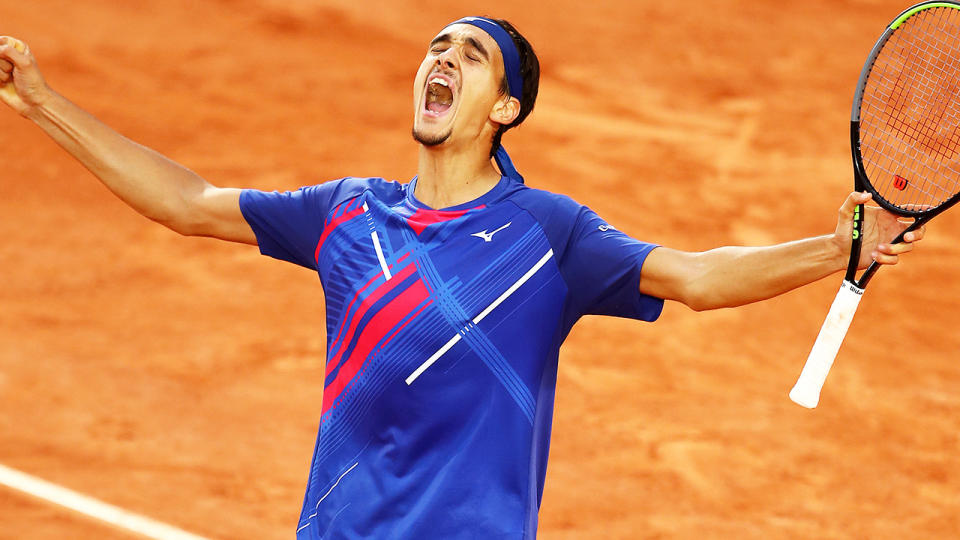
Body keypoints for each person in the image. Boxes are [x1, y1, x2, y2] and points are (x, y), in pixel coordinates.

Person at [0, 15, 923, 540]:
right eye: (437, 46)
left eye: (470, 55)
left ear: (505, 108)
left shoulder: (548, 235)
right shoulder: (348, 211)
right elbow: (191, 201)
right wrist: (40, 102)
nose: (441, 59)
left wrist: (830, 246)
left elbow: (695, 276)